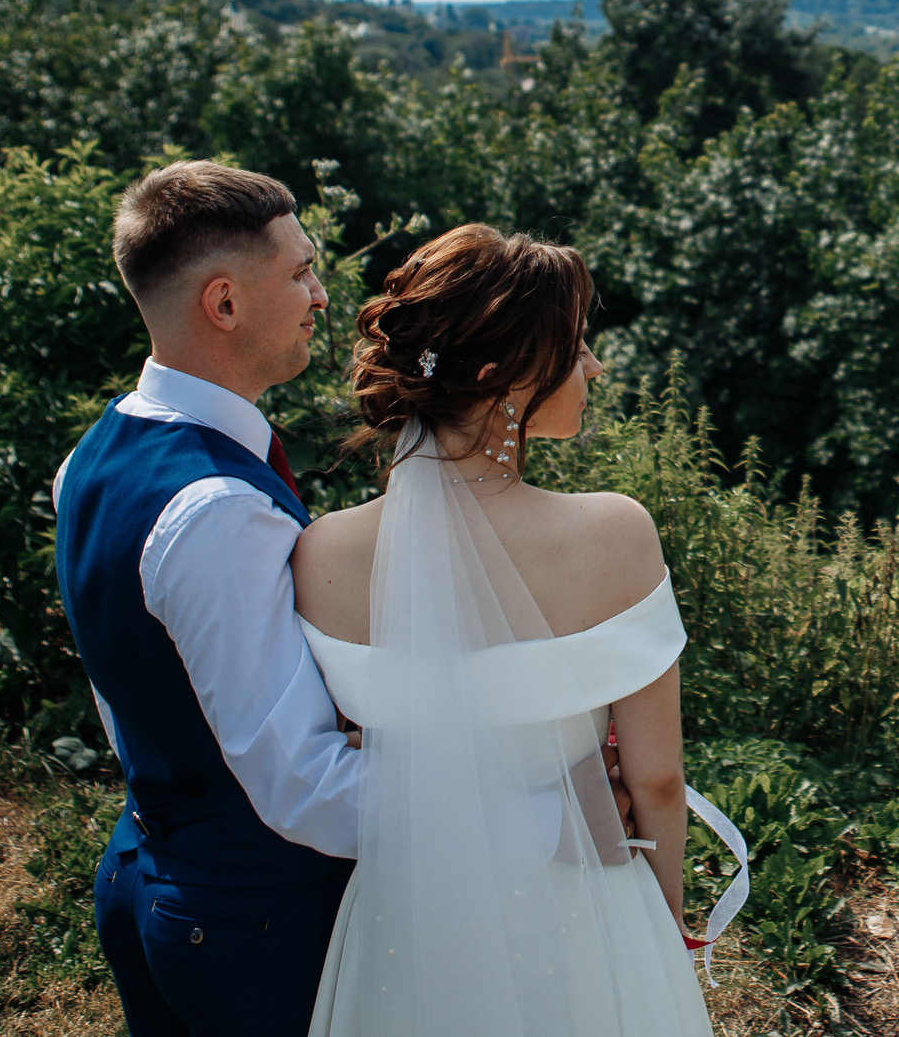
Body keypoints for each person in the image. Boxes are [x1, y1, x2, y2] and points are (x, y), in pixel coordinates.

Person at [291, 224, 721, 1037]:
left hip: (407, 918)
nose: (594, 366)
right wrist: (661, 925)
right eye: (576, 345)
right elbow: (659, 780)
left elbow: (351, 745)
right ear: (499, 376)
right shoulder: (615, 534)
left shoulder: (319, 555)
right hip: (582, 901)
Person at [53, 161, 362, 1036]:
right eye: (301, 272)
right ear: (223, 303)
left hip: (146, 872)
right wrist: (506, 803)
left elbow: (130, 697)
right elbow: (305, 785)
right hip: (253, 924)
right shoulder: (216, 506)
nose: (320, 295)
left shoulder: (90, 456)